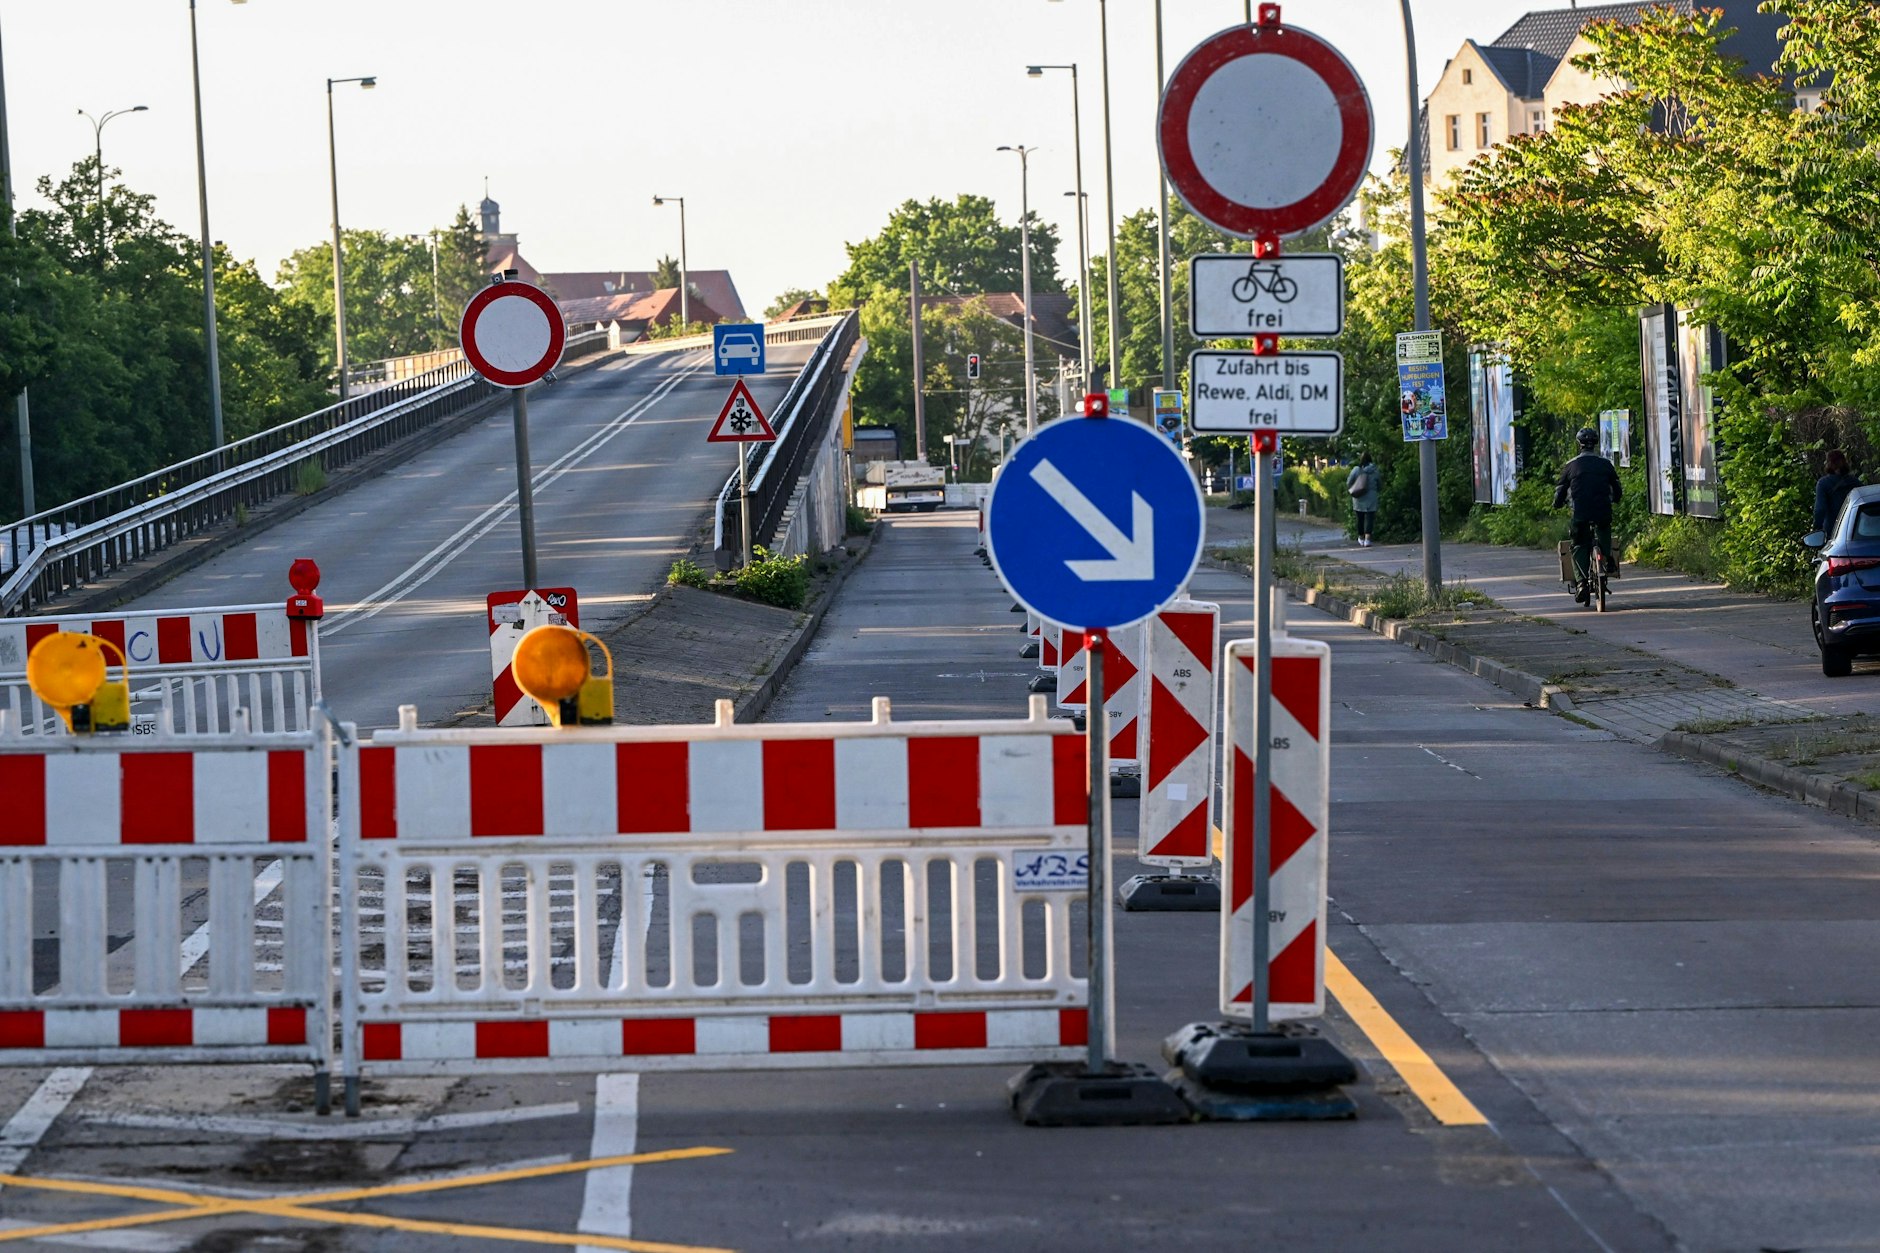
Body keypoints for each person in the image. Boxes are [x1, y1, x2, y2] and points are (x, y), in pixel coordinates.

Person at [1554, 427, 1623, 603]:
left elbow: (1560, 491)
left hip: (1580, 512)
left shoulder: (1571, 465)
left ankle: (1582, 582)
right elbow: (1617, 489)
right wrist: (1615, 499)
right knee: (1604, 528)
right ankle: (1607, 559)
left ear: (1579, 444)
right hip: (1602, 510)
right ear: (1596, 444)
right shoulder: (1606, 464)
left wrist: (1558, 504)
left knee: (1577, 544)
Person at [1813, 449, 1860, 534]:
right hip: (1855, 529)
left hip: (1833, 530)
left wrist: (1817, 529)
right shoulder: (1855, 482)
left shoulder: (1823, 484)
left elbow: (1820, 509)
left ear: (1829, 464)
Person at [1347, 453, 1379, 546]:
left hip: (1358, 496)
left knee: (1360, 518)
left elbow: (1349, 482)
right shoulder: (1375, 470)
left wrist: (1352, 489)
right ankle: (1367, 539)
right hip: (1372, 497)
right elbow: (1380, 484)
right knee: (1370, 518)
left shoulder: (1356, 470)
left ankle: (1361, 537)